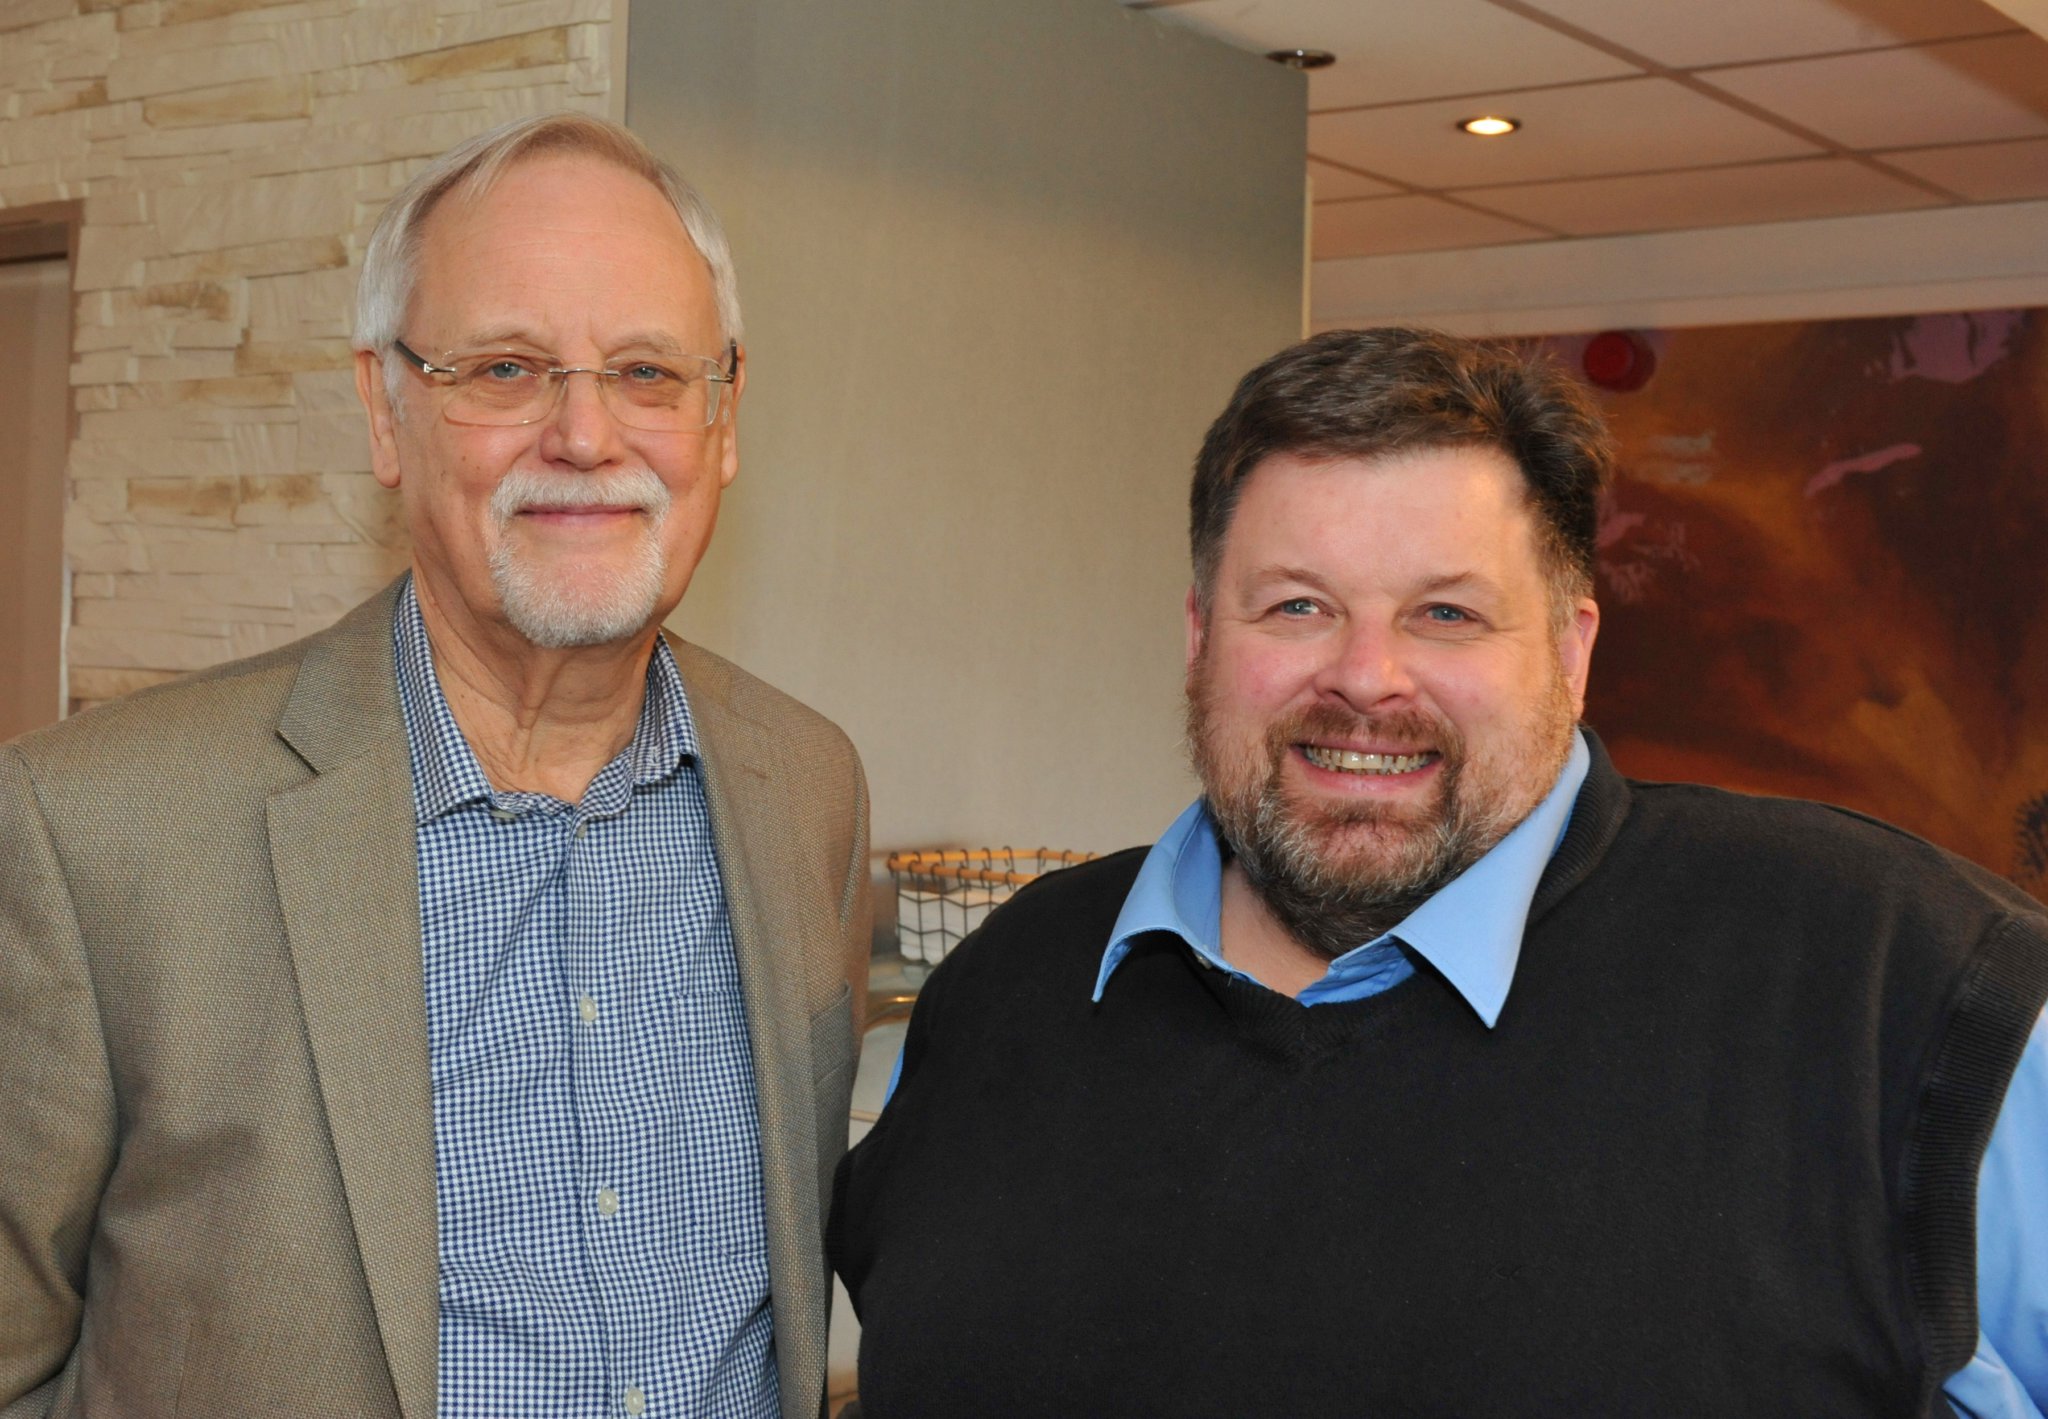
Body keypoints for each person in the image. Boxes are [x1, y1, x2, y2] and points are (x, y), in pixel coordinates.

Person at [831, 327, 2048, 1417]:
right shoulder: (1009, 988)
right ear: (1200, 638)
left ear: (1570, 652)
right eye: (1297, 606)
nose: (1365, 678)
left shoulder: (1901, 989)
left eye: (1446, 615)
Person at [0, 113, 870, 1419]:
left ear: (724, 413)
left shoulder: (807, 789)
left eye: (646, 371)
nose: (585, 436)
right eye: (507, 367)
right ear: (386, 410)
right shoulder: (98, 832)